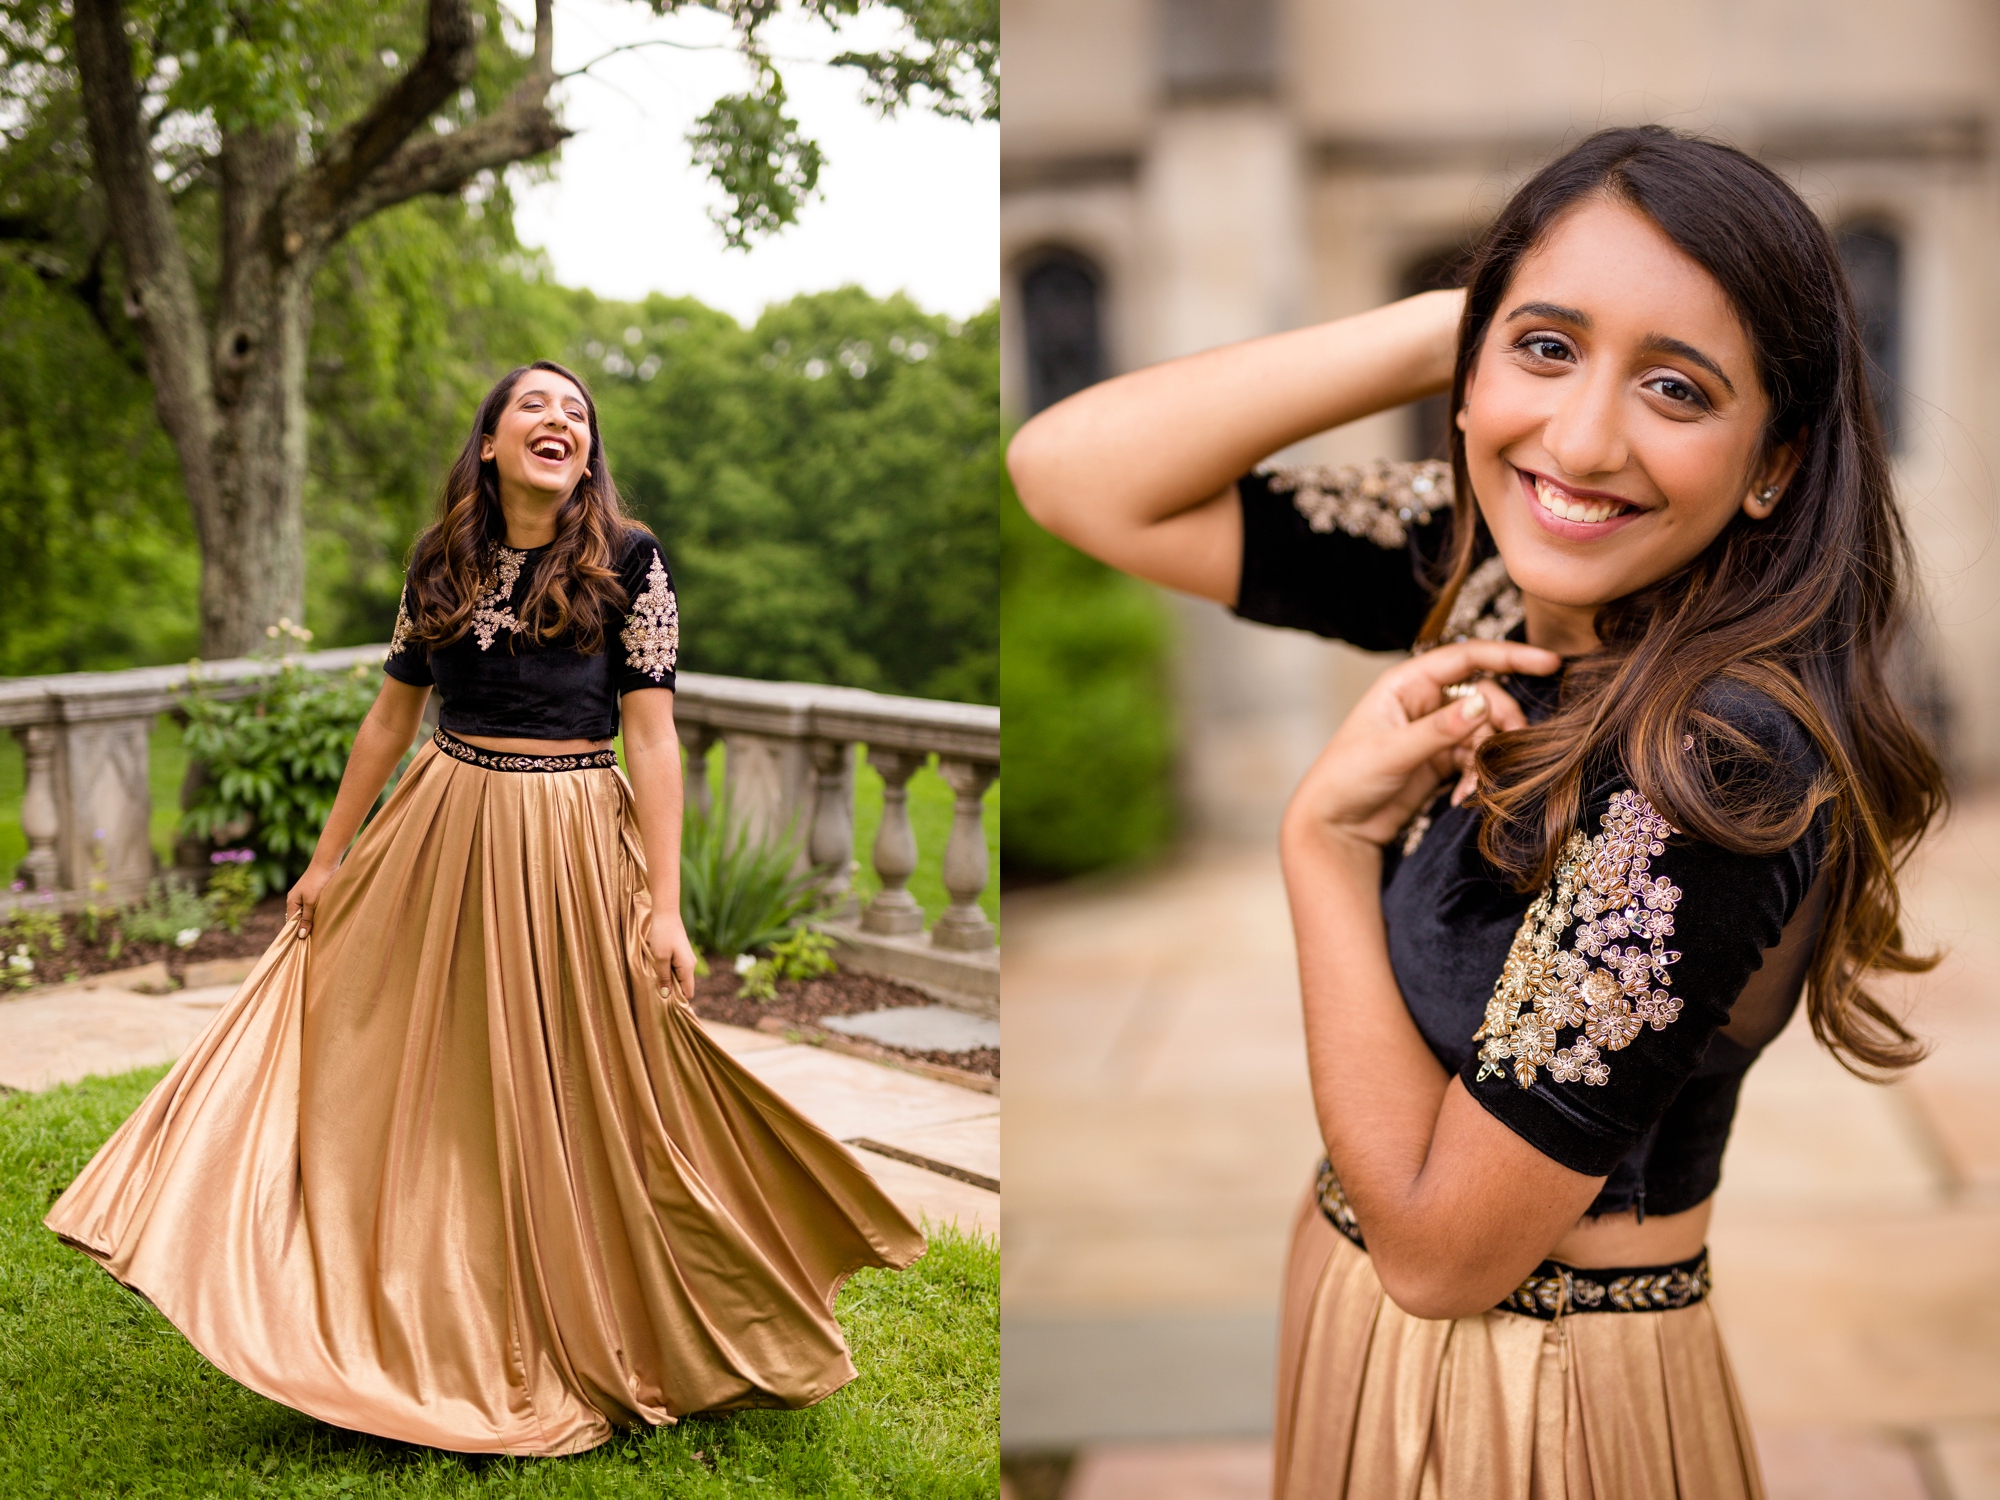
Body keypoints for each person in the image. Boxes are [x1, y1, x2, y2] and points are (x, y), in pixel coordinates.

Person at [1008, 127, 1943, 1496]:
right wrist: (1469, 325)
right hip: (1377, 1346)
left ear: (1775, 465)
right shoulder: (1507, 572)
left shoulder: (1721, 749)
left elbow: (1445, 1252)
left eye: (1677, 387)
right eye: (1547, 351)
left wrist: (1322, 848)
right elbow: (1074, 471)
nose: (1580, 438)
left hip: (1532, 1401)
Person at [46, 359, 925, 1457]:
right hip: (441, 821)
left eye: (576, 414)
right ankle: (377, 1292)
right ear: (493, 444)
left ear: (586, 456)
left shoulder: (631, 562)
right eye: (534, 407)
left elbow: (652, 740)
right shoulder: (441, 560)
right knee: (408, 1061)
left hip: (568, 835)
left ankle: (639, 1307)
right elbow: (386, 721)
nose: (559, 421)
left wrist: (663, 904)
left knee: (595, 1078)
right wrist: (326, 861)